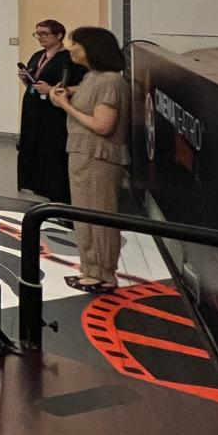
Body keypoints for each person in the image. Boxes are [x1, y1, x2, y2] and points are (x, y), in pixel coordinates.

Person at [49, 26, 130, 294]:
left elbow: (103, 125)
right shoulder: (92, 77)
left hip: (99, 157)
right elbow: (89, 99)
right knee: (84, 214)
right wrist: (68, 93)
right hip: (82, 154)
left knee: (99, 215)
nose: (72, 48)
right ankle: (90, 267)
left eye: (77, 44)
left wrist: (66, 107)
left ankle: (103, 273)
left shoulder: (110, 81)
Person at [17, 19, 86, 202]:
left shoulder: (69, 59)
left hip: (53, 110)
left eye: (44, 34)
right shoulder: (37, 55)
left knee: (52, 146)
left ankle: (53, 188)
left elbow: (77, 86)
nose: (40, 38)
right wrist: (26, 79)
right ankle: (33, 183)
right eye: (37, 34)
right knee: (32, 142)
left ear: (59, 35)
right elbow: (35, 80)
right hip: (33, 105)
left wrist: (50, 91)